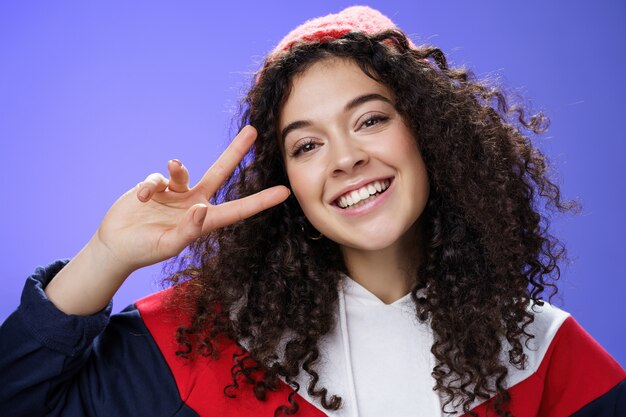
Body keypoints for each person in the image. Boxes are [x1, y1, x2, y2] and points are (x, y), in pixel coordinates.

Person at [0, 6, 624, 417]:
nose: (345, 159)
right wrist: (105, 260)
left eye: (371, 120)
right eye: (306, 145)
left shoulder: (546, 356)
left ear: (432, 134)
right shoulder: (202, 338)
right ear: (288, 182)